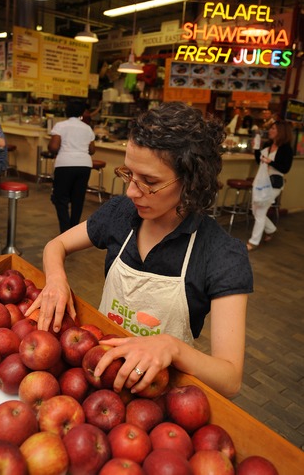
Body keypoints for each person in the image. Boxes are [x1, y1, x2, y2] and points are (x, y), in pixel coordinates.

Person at [26, 101, 253, 398]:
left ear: (191, 181)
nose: (132, 191)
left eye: (149, 182)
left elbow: (230, 379)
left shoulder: (222, 254)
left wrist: (173, 348)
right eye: (129, 174)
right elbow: (56, 245)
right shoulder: (121, 213)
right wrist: (56, 280)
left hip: (159, 394)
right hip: (102, 373)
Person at [49, 98, 96, 233]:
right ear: (82, 112)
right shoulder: (87, 128)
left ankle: (64, 229)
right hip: (84, 165)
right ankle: (73, 229)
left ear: (66, 111)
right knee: (78, 198)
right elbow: (92, 150)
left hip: (65, 164)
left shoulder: (60, 126)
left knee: (60, 198)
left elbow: (53, 147)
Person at [247, 121, 293, 251]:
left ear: (281, 131)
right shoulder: (268, 144)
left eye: (273, 128)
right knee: (255, 209)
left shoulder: (286, 149)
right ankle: (271, 229)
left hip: (274, 183)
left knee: (260, 211)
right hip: (261, 182)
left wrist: (270, 162)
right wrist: (256, 148)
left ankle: (253, 242)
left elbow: (285, 168)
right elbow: (258, 160)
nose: (270, 130)